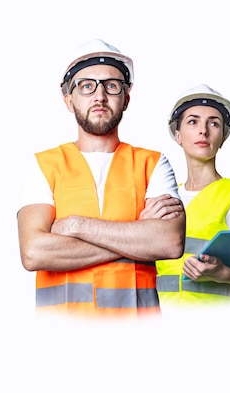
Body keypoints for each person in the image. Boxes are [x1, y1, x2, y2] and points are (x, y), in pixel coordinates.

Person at [17, 39, 186, 319]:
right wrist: (136, 236)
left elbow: (169, 243)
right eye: (87, 86)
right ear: (69, 101)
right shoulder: (44, 165)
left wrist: (73, 225)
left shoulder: (153, 163)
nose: (99, 96)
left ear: (126, 98)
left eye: (111, 85)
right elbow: (34, 252)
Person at [155, 84, 230, 311]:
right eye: (193, 121)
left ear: (223, 137)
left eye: (214, 123)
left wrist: (224, 273)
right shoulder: (166, 198)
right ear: (178, 135)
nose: (204, 131)